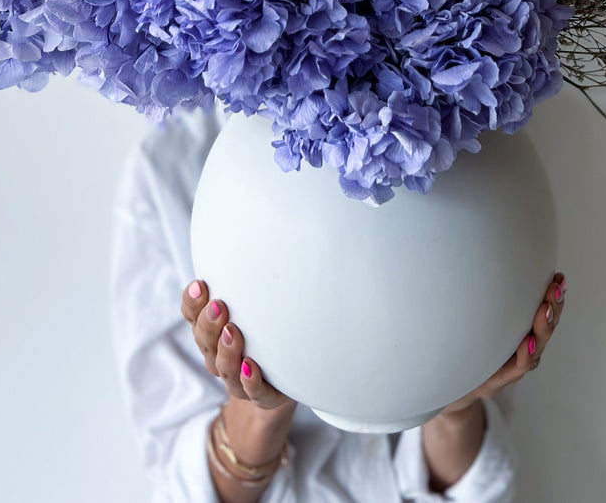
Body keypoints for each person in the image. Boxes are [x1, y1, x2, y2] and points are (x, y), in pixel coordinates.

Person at [111, 100, 566, 502]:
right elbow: (179, 489)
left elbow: (478, 492)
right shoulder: (174, 165)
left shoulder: (473, 128)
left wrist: (457, 402)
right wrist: (258, 396)